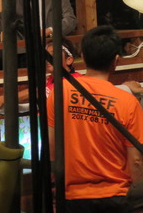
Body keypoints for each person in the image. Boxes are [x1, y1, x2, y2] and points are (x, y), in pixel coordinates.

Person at [47, 25, 143, 211]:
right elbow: (136, 161)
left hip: (72, 196)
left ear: (82, 56)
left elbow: (52, 146)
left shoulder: (60, 92)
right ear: (116, 60)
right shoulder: (127, 101)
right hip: (116, 197)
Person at [0, 37, 81, 111]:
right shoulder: (49, 79)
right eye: (46, 55)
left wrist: (2, 99)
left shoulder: (76, 81)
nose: (48, 59)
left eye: (54, 54)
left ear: (69, 60)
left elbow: (38, 92)